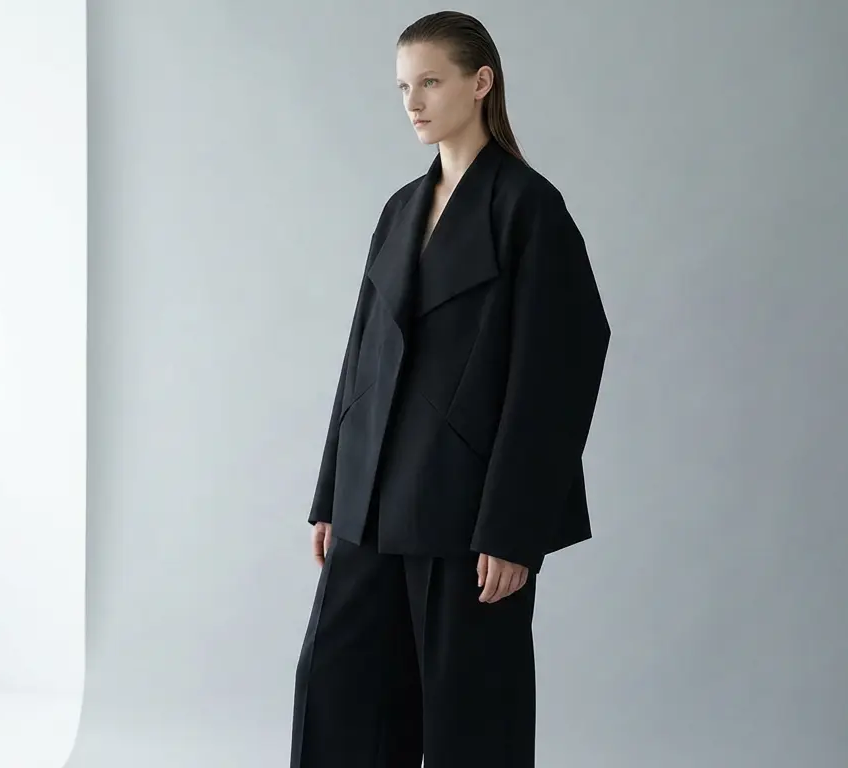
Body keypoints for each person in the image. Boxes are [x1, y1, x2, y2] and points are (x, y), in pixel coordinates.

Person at [289, 10, 611, 768]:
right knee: (337, 700)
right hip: (369, 502)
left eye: (430, 81)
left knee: (472, 719)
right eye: (404, 86)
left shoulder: (528, 207)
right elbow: (359, 359)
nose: (413, 102)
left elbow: (557, 373)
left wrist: (514, 527)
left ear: (481, 82)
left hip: (465, 513)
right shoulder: (400, 209)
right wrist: (332, 494)